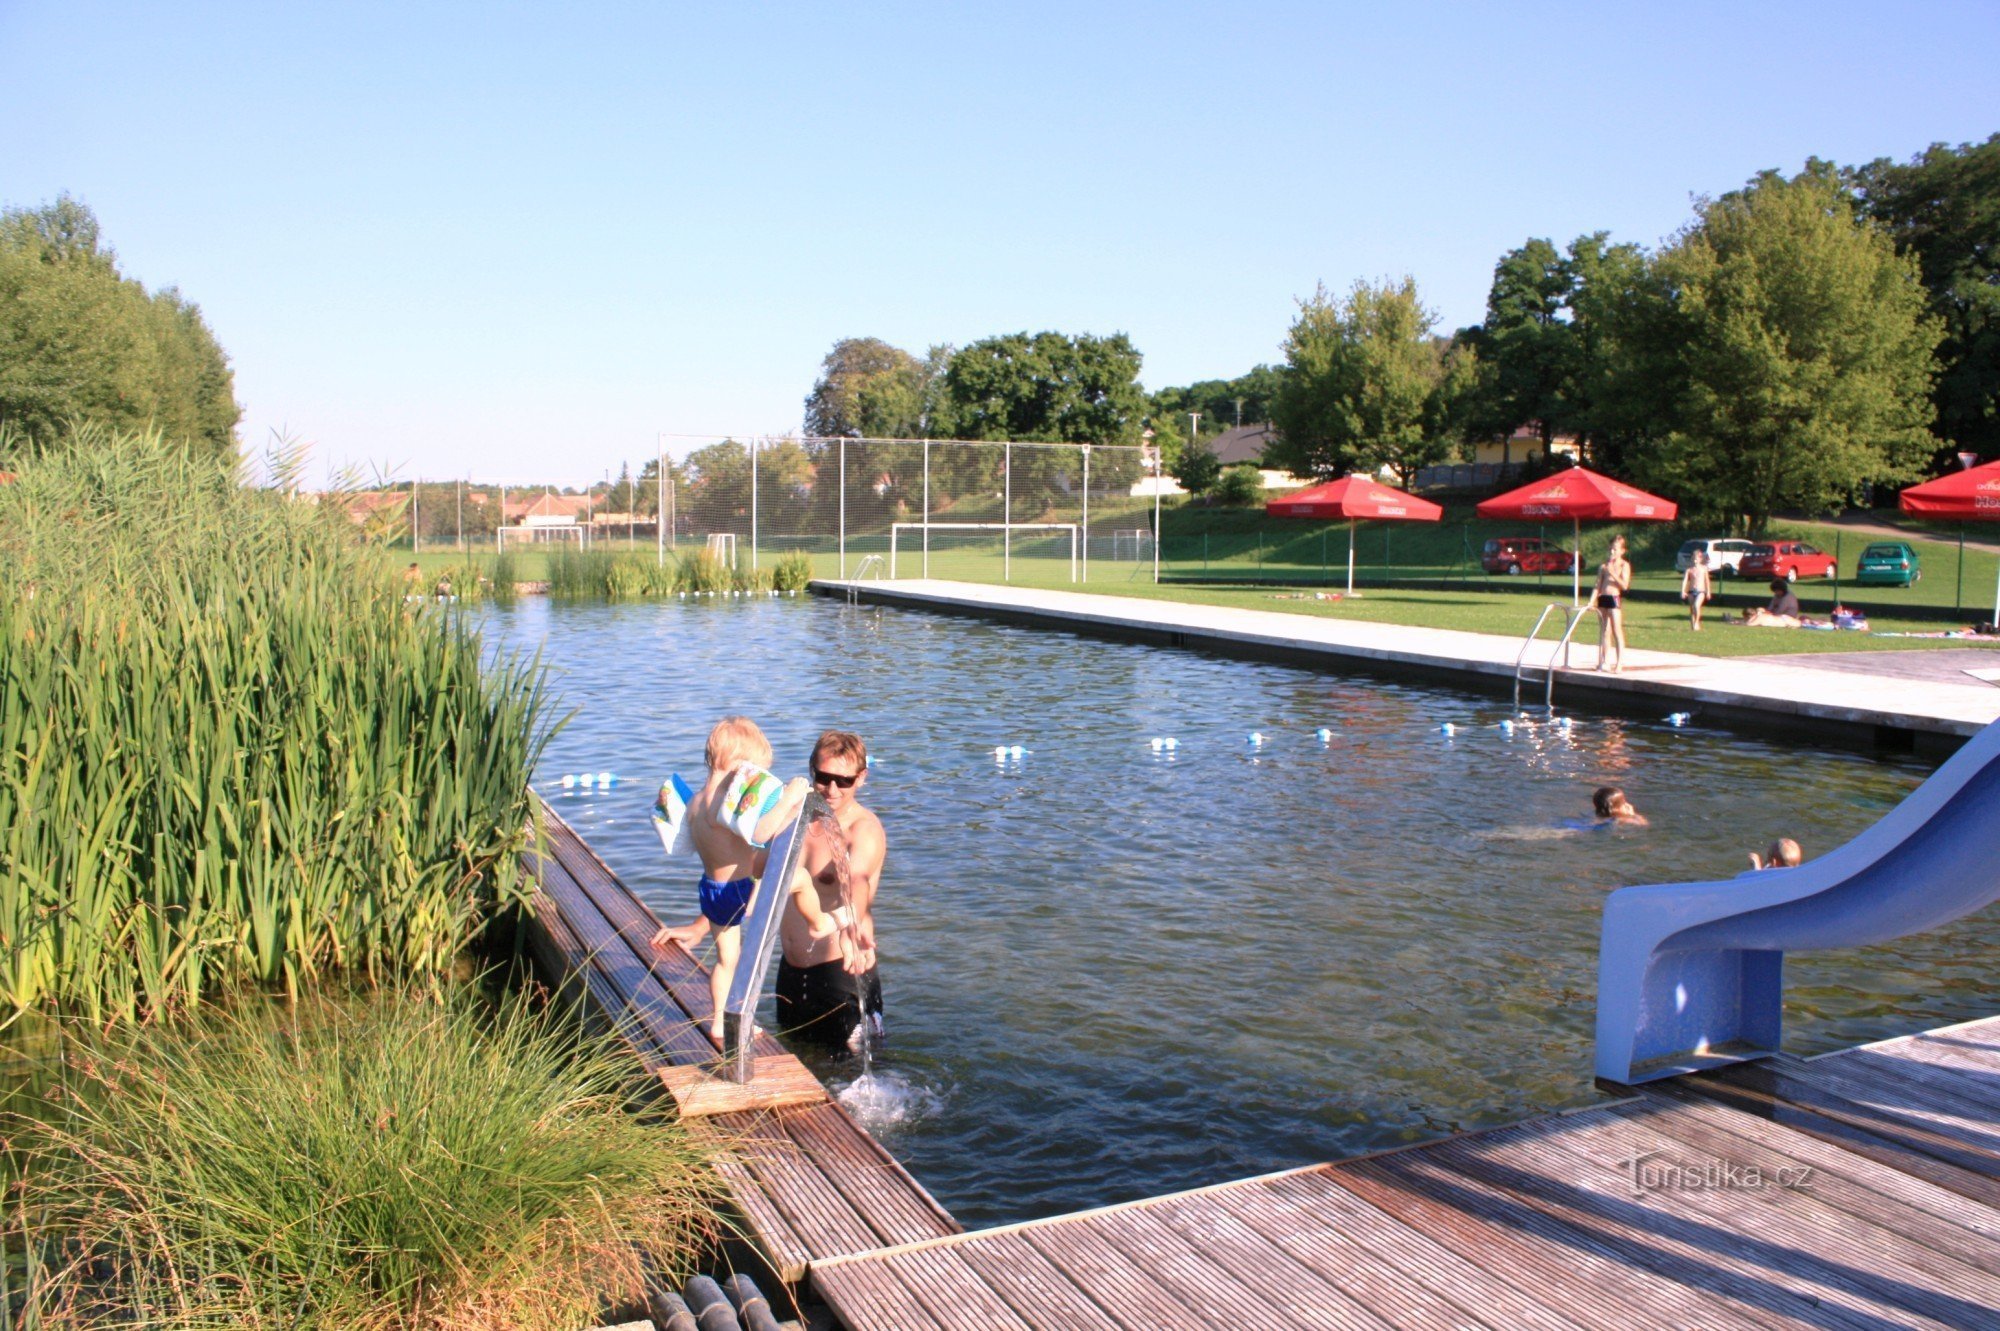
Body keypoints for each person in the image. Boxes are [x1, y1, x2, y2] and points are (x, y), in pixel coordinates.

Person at [650, 717, 835, 1046]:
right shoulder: (726, 803)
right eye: (755, 772)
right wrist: (789, 797)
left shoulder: (695, 803)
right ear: (741, 766)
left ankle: (720, 1023)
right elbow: (761, 832)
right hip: (741, 889)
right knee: (802, 879)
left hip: (711, 891)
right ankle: (819, 923)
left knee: (725, 960)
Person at [778, 730, 887, 1050]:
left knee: (855, 1083)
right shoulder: (794, 819)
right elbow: (751, 870)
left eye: (844, 781)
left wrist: (849, 921)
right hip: (790, 975)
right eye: (824, 778)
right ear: (812, 771)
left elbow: (859, 880)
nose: (832, 789)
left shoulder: (863, 830)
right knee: (794, 1061)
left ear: (862, 778)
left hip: (842, 973)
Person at [1593, 535, 1632, 672]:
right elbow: (1597, 585)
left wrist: (1613, 573)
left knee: (1616, 630)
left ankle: (1619, 662)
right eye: (1611, 549)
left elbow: (1625, 586)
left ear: (1622, 551)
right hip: (1602, 598)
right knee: (1604, 631)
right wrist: (1591, 601)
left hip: (1614, 598)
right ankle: (1604, 661)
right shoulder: (1603, 566)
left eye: (1615, 549)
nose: (1612, 552)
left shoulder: (1624, 565)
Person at [1680, 549, 1712, 632]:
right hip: (1691, 591)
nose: (1694, 560)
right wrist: (1683, 591)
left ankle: (1696, 622)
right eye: (1693, 559)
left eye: (1696, 559)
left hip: (1701, 591)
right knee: (1692, 609)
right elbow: (1685, 581)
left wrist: (1708, 591)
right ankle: (1693, 625)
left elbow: (1707, 581)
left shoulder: (1704, 569)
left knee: (1696, 606)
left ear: (1700, 559)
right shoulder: (1689, 570)